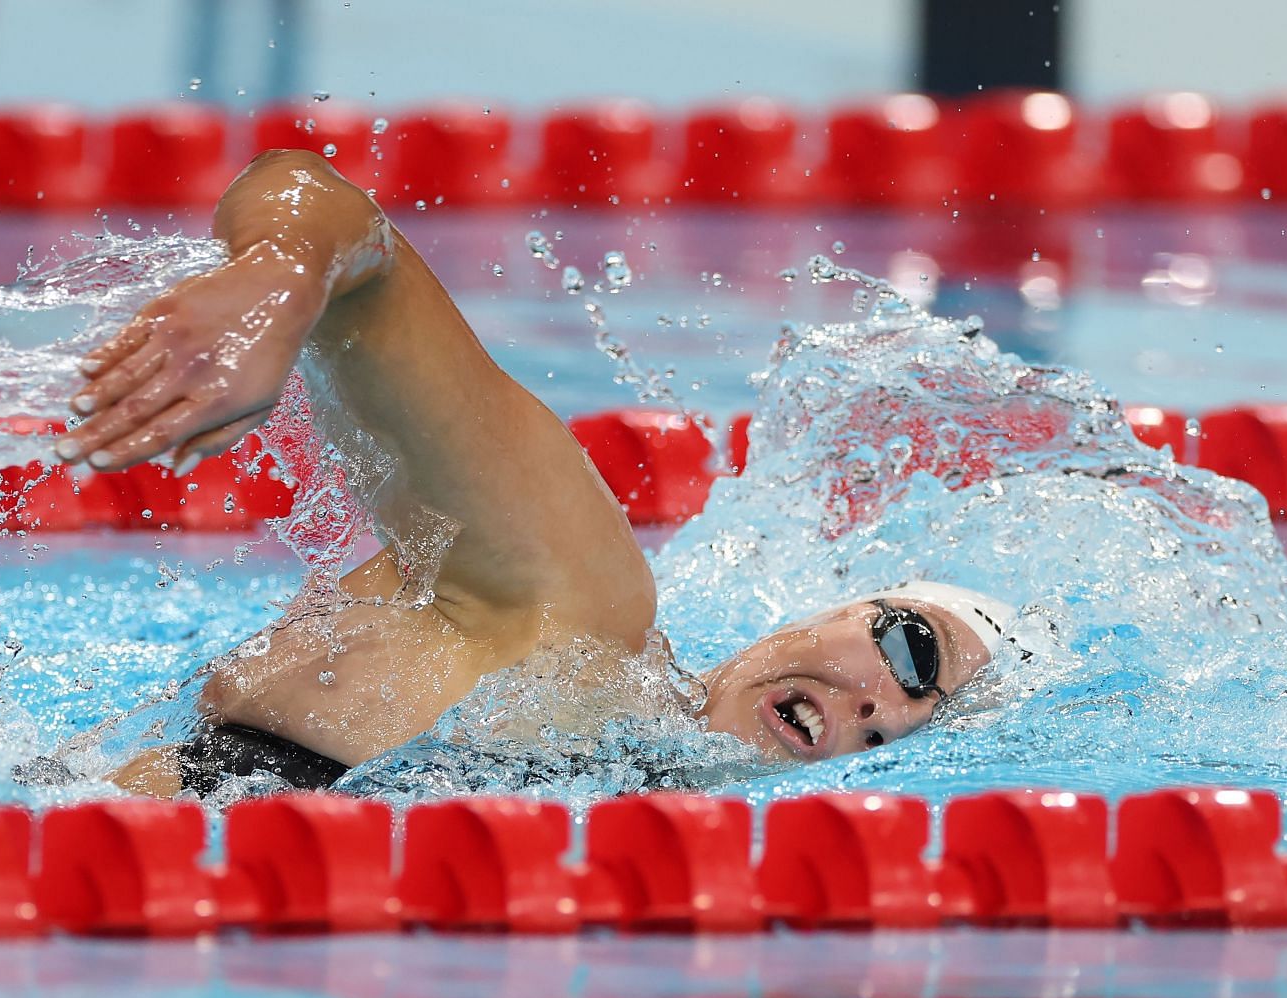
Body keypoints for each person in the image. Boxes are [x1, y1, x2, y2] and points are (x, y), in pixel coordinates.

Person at [76, 150, 1019, 797]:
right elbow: (323, 202)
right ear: (831, 611)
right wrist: (277, 281)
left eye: (916, 736)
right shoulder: (577, 620)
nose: (883, 712)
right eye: (913, 652)